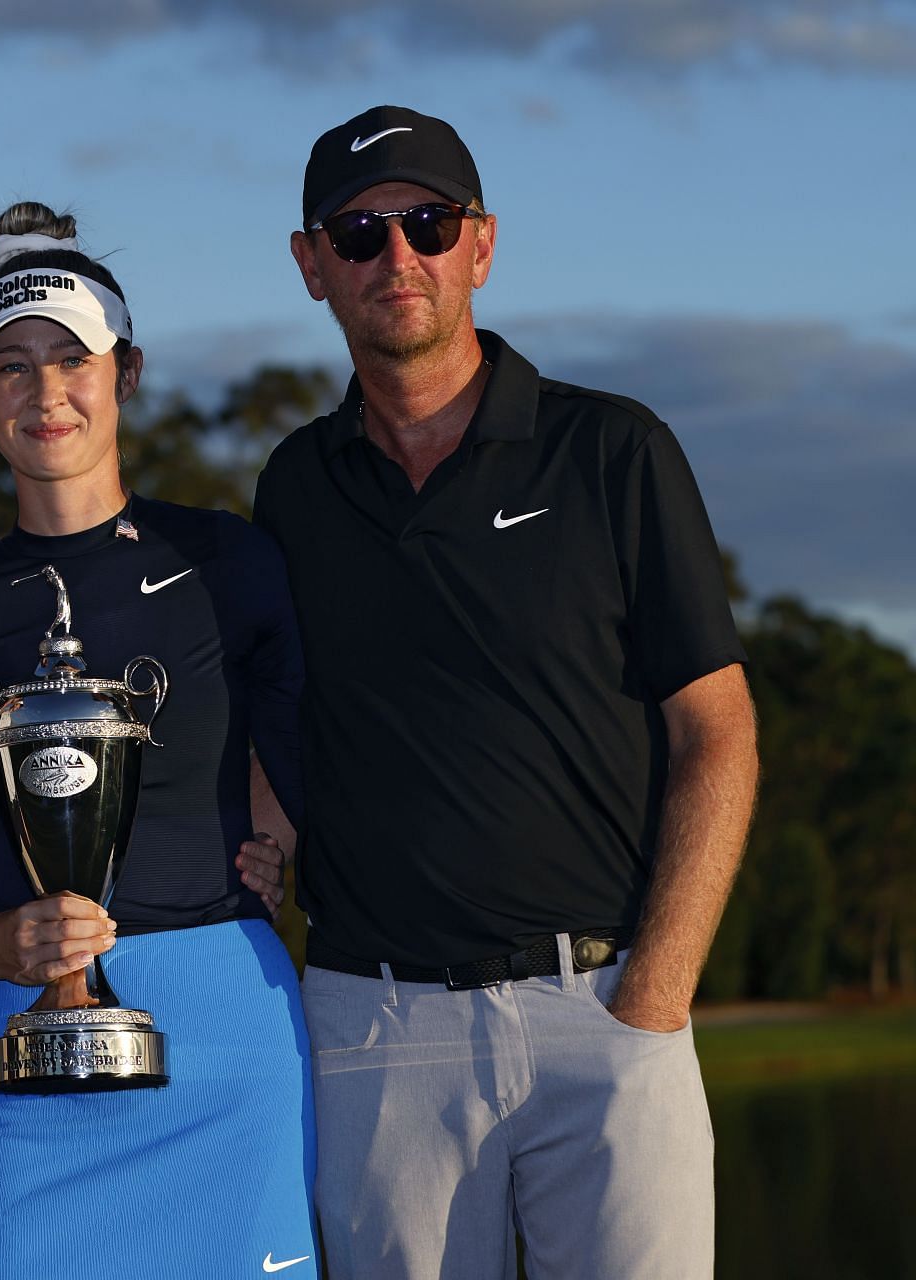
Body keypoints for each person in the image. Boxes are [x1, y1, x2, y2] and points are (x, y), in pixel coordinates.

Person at [245, 105, 760, 1278]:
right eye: (360, 232)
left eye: (428, 222)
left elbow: (717, 730)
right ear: (312, 263)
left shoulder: (613, 452)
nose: (398, 256)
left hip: (610, 1009)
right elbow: (287, 727)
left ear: (480, 245)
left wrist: (658, 992)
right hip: (374, 1027)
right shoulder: (295, 487)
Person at [0, 203, 319, 1278]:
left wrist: (283, 835)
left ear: (125, 372)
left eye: (71, 359)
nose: (44, 393)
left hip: (226, 1032)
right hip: (23, 1047)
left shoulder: (229, 561)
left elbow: (313, 744)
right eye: (10, 366)